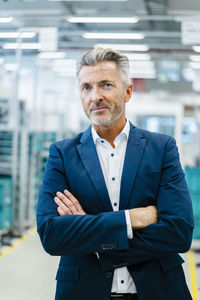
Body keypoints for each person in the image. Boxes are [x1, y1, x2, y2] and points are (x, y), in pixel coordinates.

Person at [36, 47, 194, 300]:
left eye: (106, 85)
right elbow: (52, 234)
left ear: (128, 91)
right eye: (86, 87)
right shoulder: (63, 155)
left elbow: (178, 232)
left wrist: (90, 236)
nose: (95, 96)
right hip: (83, 292)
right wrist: (130, 220)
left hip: (158, 290)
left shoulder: (161, 147)